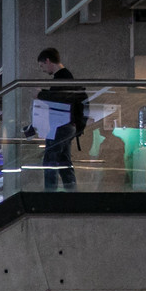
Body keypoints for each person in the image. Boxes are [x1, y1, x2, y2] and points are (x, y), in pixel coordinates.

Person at [36, 47, 89, 191]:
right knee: (64, 161)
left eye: (42, 65)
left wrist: (41, 94)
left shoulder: (62, 78)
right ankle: (71, 194)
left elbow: (60, 100)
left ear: (48, 61)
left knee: (50, 160)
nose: (42, 70)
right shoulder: (68, 77)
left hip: (61, 125)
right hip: (69, 125)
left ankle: (50, 195)